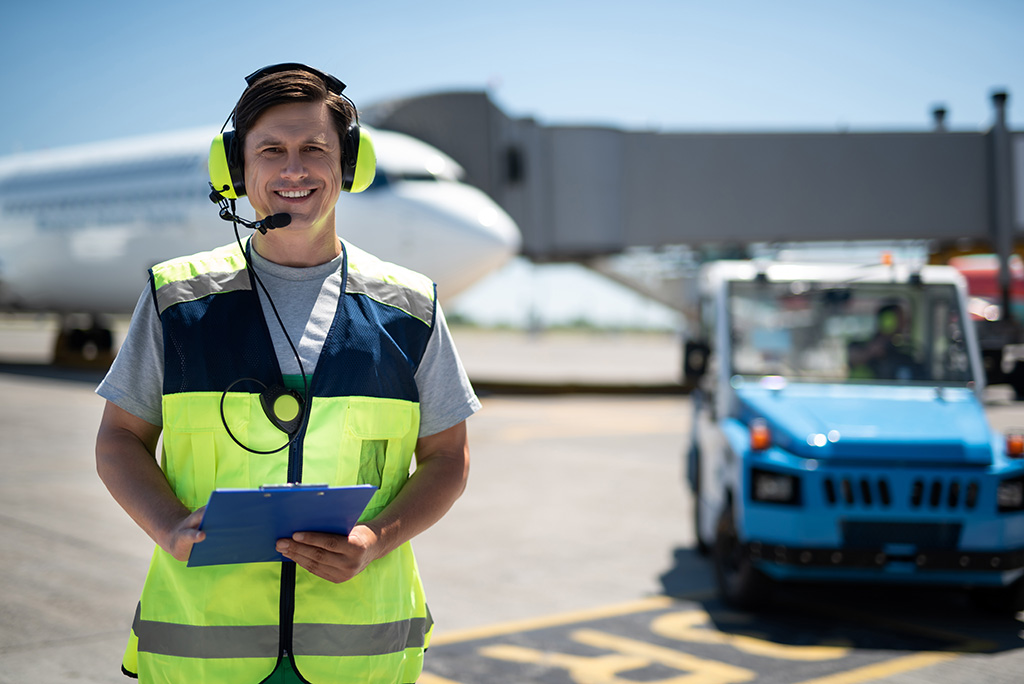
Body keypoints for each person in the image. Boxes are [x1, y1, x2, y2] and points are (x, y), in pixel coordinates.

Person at [94, 63, 479, 684]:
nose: (294, 169)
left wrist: (374, 540)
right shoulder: (176, 298)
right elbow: (119, 440)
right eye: (271, 150)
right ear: (236, 170)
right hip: (204, 654)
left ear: (348, 166)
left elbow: (449, 459)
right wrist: (167, 528)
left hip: (358, 658)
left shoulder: (411, 307)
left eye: (314, 150)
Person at [848, 301, 919, 380]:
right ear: (887, 321)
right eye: (901, 318)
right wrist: (871, 351)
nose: (905, 322)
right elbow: (853, 358)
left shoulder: (905, 349)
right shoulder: (862, 345)